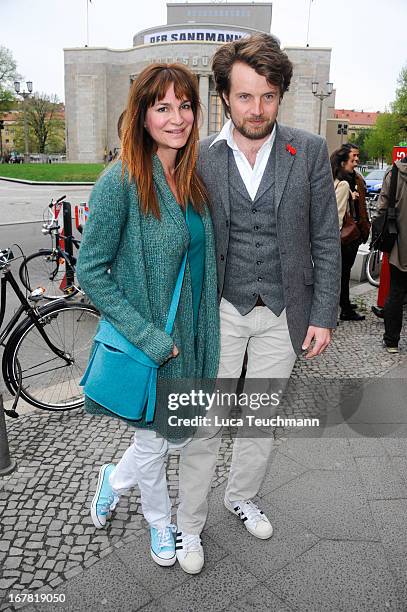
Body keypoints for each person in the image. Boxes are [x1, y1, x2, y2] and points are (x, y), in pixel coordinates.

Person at [175, 33, 341, 573]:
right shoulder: (198, 157)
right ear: (225, 95)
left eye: (268, 96)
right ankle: (188, 525)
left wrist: (322, 315)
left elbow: (323, 237)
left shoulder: (309, 150)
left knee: (261, 420)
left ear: (280, 95)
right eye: (245, 96)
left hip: (283, 313)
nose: (257, 109)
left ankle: (240, 497)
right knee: (206, 422)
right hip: (219, 310)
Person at [76, 64, 219, 568]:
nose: (176, 118)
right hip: (153, 343)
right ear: (141, 115)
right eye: (162, 107)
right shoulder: (122, 180)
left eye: (185, 106)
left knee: (165, 438)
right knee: (154, 444)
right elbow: (90, 269)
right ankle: (161, 527)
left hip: (192, 339)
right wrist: (147, 335)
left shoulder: (192, 178)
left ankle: (111, 479)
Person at [330, 145, 366, 321]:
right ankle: (343, 308)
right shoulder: (343, 183)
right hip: (344, 238)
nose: (357, 161)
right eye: (354, 157)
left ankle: (344, 304)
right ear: (344, 161)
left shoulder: (335, 179)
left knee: (341, 274)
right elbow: (337, 215)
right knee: (342, 275)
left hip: (343, 236)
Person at [378, 156, 407, 353]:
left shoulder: (395, 172)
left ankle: (391, 342)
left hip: (400, 245)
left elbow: (382, 208)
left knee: (396, 292)